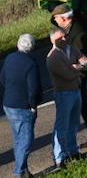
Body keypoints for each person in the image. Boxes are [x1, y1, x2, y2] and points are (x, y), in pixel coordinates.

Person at [51, 4, 87, 150]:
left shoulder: (78, 33)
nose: (55, 21)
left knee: (79, 105)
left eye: (56, 18)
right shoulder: (69, 28)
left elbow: (82, 57)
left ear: (64, 18)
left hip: (78, 74)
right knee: (82, 104)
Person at [46, 28, 87, 168]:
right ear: (53, 40)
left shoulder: (71, 49)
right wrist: (78, 69)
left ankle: (73, 151)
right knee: (62, 126)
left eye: (65, 37)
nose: (64, 39)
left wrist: (76, 67)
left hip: (76, 91)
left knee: (74, 123)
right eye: (61, 38)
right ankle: (59, 158)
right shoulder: (52, 57)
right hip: (63, 94)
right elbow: (68, 75)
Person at [1, 34, 40, 177]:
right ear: (32, 47)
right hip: (23, 107)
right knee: (26, 141)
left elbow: (3, 79)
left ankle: (23, 170)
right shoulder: (30, 63)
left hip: (8, 104)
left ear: (18, 44)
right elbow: (33, 89)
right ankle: (19, 172)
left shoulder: (9, 58)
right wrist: (33, 106)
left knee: (18, 138)